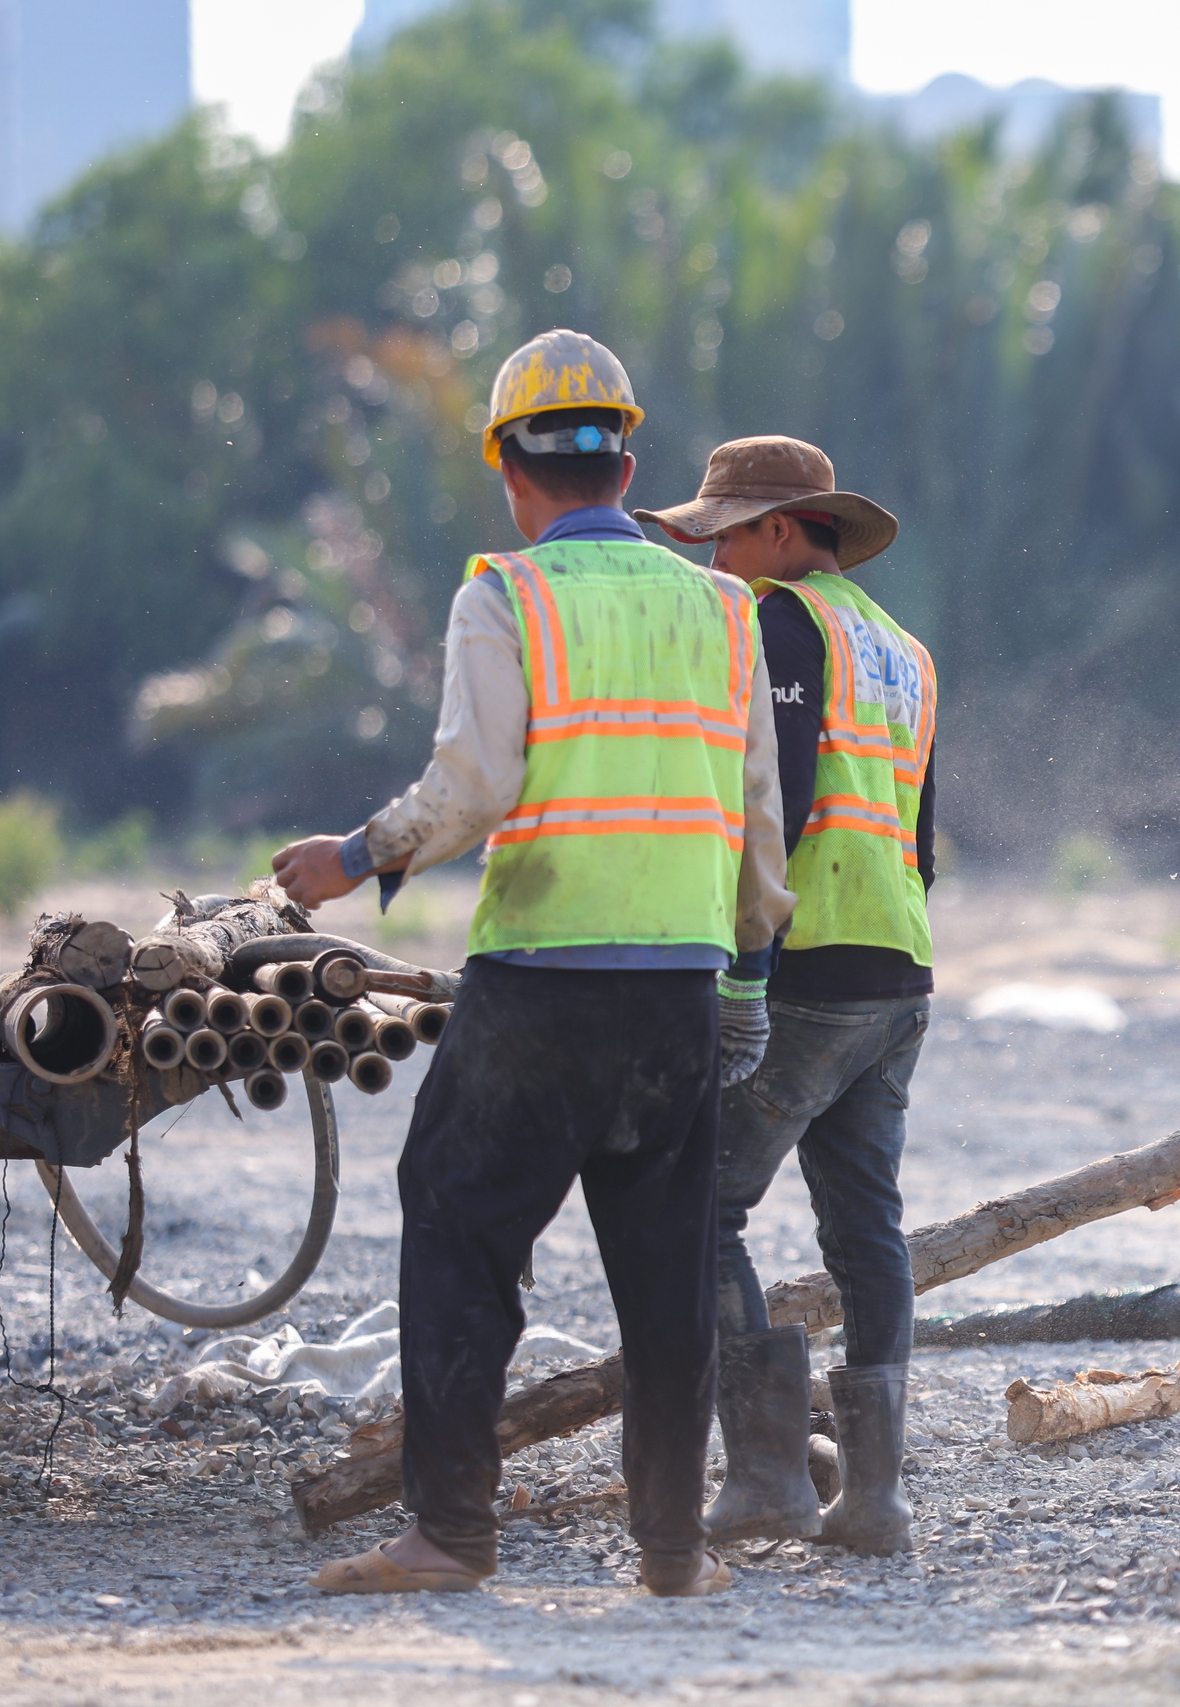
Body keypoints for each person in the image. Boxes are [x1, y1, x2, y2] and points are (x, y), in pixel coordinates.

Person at [270, 330, 794, 1596]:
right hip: (676, 986)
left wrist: (353, 857)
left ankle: (451, 1535)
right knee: (665, 1271)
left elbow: (474, 786)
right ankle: (671, 1551)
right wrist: (742, 978)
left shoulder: (504, 595)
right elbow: (760, 824)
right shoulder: (726, 608)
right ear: (629, 466)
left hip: (542, 982)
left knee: (458, 1227)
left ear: (509, 469)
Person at [633, 437, 934, 1555]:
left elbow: (780, 796)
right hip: (898, 965)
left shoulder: (782, 624)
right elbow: (922, 835)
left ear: (776, 529)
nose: (712, 555)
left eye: (723, 533)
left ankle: (764, 1475)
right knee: (866, 1229)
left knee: (696, 1209)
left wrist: (740, 964)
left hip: (808, 963)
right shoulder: (902, 648)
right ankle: (875, 1499)